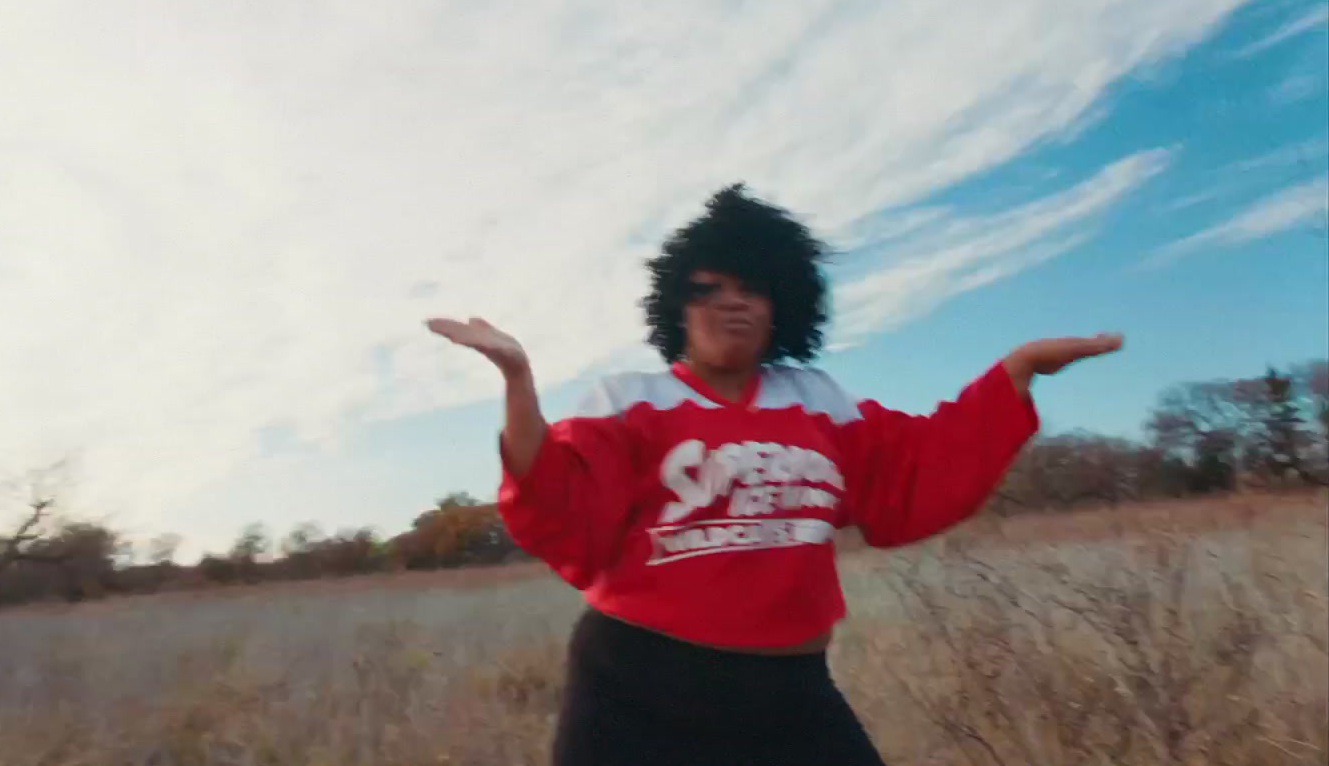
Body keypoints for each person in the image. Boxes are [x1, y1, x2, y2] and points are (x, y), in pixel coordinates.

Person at [427, 184, 1122, 766]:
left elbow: (916, 465)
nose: (733, 302)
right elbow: (558, 499)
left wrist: (1016, 374)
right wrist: (518, 380)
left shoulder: (816, 399)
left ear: (781, 305)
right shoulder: (629, 401)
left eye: (753, 288)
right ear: (678, 305)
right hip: (640, 689)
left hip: (791, 691)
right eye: (711, 288)